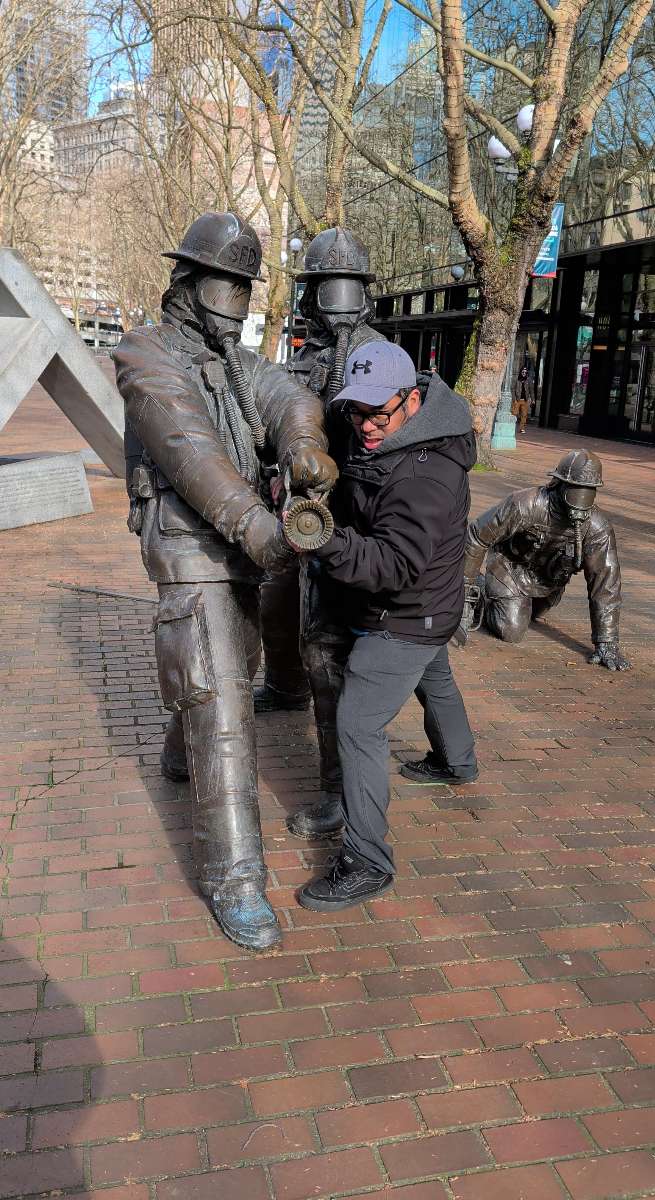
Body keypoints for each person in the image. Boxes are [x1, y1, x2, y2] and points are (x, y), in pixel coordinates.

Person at [113, 211, 337, 951]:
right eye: (224, 286)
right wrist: (262, 532)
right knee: (222, 696)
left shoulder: (237, 360)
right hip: (187, 538)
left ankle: (179, 751)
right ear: (186, 281)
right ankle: (236, 878)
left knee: (230, 661)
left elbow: (288, 396)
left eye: (244, 291)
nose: (234, 304)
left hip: (244, 541)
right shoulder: (146, 353)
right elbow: (188, 450)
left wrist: (303, 447)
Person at [296, 341, 478, 912]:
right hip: (436, 603)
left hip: (404, 614)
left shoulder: (427, 476)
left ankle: (368, 860)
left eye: (379, 413)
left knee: (357, 724)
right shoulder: (386, 435)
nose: (366, 426)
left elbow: (394, 567)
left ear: (413, 398)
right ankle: (458, 762)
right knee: (436, 678)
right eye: (358, 411)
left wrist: (325, 539)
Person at [255, 227, 386, 714]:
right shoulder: (308, 352)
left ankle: (350, 722)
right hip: (299, 497)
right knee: (278, 596)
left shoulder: (375, 355)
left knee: (333, 624)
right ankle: (286, 686)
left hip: (353, 504)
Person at [457, 448, 631, 671]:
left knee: (530, 615)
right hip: (509, 569)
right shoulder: (526, 504)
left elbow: (606, 583)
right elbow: (477, 535)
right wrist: (463, 591)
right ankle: (485, 588)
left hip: (547, 584)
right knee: (511, 630)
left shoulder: (597, 527)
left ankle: (510, 600)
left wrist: (607, 642)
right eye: (575, 489)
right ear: (558, 484)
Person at [511, 364, 534, 433]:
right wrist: (514, 399)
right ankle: (511, 427)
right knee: (514, 413)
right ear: (521, 372)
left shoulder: (528, 381)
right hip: (517, 400)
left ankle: (522, 428)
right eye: (523, 372)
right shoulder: (517, 379)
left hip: (525, 400)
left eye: (525, 372)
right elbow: (513, 389)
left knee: (524, 415)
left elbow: (531, 391)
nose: (524, 373)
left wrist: (533, 400)